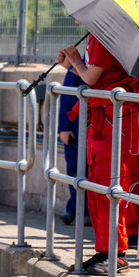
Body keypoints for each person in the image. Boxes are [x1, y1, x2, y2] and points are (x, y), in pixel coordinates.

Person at [57, 32, 139, 275]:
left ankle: (115, 254)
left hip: (113, 119)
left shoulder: (106, 34)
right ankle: (106, 250)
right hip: (106, 117)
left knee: (108, 184)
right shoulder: (100, 34)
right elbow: (97, 77)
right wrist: (74, 66)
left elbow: (93, 78)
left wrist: (75, 61)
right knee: (98, 186)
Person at [57, 68, 89, 226]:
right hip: (77, 126)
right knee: (76, 169)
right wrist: (64, 127)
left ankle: (76, 209)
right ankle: (77, 210)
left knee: (90, 171)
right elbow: (67, 95)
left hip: (96, 125)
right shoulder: (81, 62)